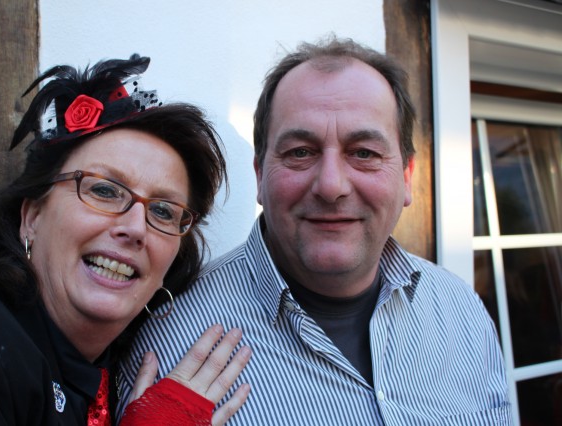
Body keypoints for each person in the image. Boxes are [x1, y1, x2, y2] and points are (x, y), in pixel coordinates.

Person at [118, 36, 512, 424]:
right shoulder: (168, 352)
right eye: (300, 152)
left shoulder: (462, 310)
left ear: (407, 177)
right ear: (260, 176)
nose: (331, 186)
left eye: (364, 153)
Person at [0, 53, 251, 425]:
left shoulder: (123, 366)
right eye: (105, 191)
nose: (136, 228)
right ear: (32, 217)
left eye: (163, 211)